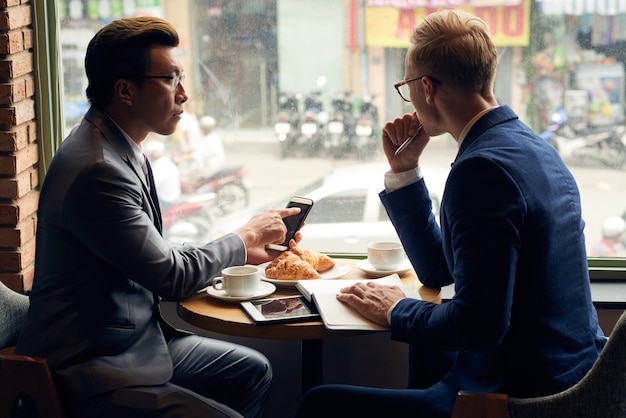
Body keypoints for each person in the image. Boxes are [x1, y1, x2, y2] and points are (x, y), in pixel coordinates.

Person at [294, 9, 606, 418]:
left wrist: (395, 309)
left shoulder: (481, 170)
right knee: (427, 352)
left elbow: (479, 326)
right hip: (576, 375)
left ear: (426, 87)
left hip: (525, 398)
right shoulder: (533, 148)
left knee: (319, 404)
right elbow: (441, 271)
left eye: (406, 87)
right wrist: (405, 174)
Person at [15, 16, 301, 418]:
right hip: (89, 370)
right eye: (170, 80)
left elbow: (151, 253)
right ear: (125, 90)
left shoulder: (121, 146)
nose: (184, 94)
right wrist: (240, 238)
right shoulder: (97, 170)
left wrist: (243, 250)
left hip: (133, 347)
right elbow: (169, 277)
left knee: (251, 370)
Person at [144, 134, 182, 208]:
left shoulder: (160, 167)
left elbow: (151, 186)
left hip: (167, 200)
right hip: (172, 196)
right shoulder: (164, 161)